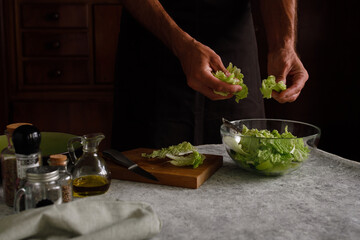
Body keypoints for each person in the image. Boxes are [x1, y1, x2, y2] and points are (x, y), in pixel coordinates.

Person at [111, 0, 308, 151]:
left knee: (244, 156)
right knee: (150, 166)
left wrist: (283, 45)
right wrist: (181, 45)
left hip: (233, 36)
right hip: (155, 36)